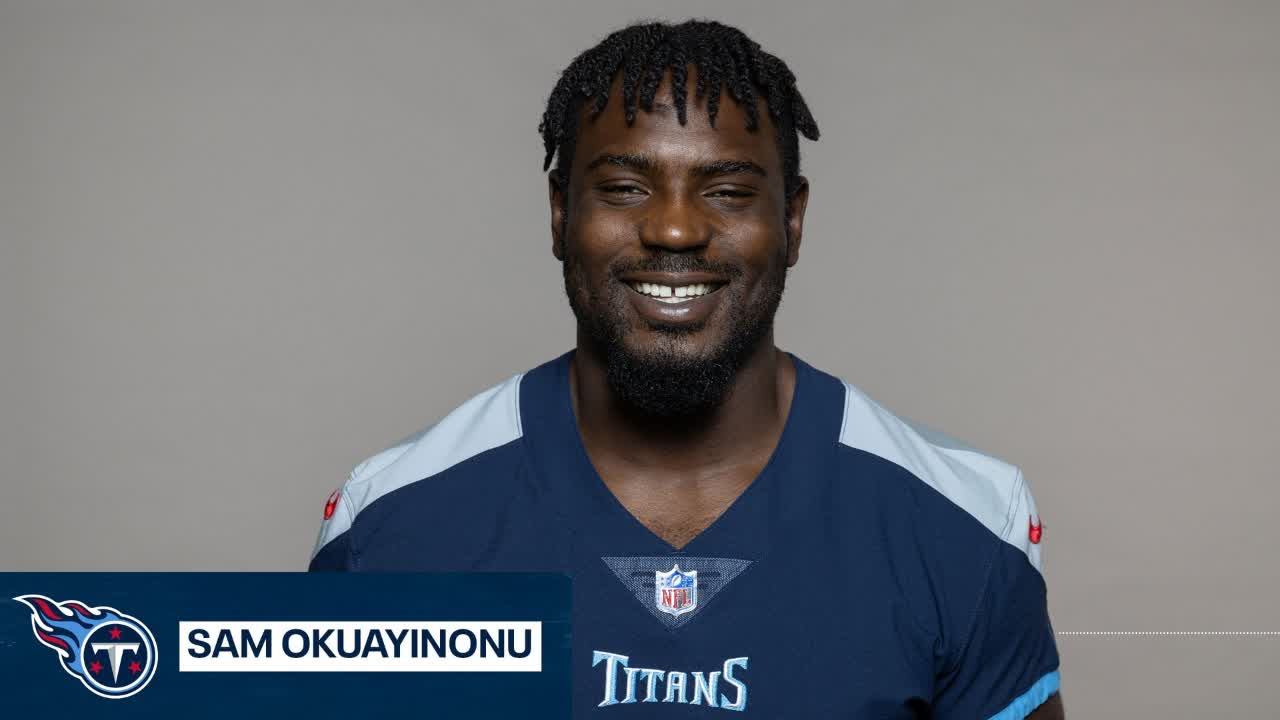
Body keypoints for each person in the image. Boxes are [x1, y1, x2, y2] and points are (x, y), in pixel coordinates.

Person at [309, 18, 1064, 718]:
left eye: (729, 191)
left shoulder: (966, 525)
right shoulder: (390, 522)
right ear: (558, 215)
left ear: (792, 221)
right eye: (624, 189)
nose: (675, 227)